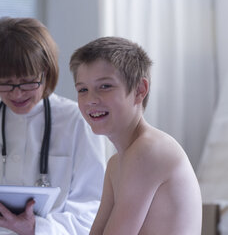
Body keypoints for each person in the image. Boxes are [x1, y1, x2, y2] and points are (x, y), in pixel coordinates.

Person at [0, 17, 107, 235]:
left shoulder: (77, 121)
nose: (17, 94)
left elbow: (91, 207)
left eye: (27, 82)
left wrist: (38, 228)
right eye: (5, 83)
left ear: (46, 71)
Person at [69, 36, 202, 235]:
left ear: (140, 90)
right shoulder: (116, 164)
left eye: (105, 86)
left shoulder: (149, 149)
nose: (91, 100)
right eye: (83, 90)